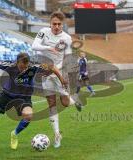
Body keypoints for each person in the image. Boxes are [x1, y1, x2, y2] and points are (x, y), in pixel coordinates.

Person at [0, 53, 67, 154]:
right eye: (21, 66)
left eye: (25, 66)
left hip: (24, 97)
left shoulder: (34, 67)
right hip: (7, 95)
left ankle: (14, 134)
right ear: (17, 62)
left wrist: (61, 79)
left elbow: (52, 67)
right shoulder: (9, 65)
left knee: (28, 116)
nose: (23, 69)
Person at [32, 11, 81, 148]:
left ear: (62, 24)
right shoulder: (43, 32)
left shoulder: (66, 38)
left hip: (59, 72)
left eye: (59, 24)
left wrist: (66, 74)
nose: (57, 26)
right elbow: (34, 46)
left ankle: (73, 100)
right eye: (54, 23)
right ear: (50, 23)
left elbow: (68, 57)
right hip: (45, 73)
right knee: (51, 105)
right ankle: (57, 135)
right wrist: (49, 48)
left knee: (65, 103)